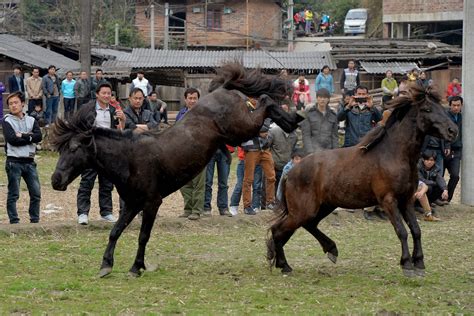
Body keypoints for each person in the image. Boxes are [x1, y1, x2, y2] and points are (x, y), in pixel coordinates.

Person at [76, 83, 126, 225]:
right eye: (103, 93)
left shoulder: (113, 110)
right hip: (91, 151)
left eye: (109, 93)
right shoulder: (88, 109)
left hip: (108, 153)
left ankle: (106, 212)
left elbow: (120, 129)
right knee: (87, 182)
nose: (106, 96)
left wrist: (122, 119)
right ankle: (83, 213)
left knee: (107, 183)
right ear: (97, 94)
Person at [2, 91, 42, 224]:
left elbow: (39, 136)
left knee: (35, 193)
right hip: (14, 161)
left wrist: (23, 135)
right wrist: (30, 137)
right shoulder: (7, 121)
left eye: (16, 102)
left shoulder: (32, 120)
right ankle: (14, 220)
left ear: (22, 104)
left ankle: (35, 219)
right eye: (10, 103)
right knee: (14, 193)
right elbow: (12, 140)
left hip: (30, 161)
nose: (13, 106)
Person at [178, 88, 206, 220]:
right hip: (183, 154)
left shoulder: (204, 115)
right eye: (190, 98)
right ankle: (188, 208)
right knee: (184, 183)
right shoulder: (181, 114)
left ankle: (196, 210)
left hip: (199, 154)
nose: (192, 101)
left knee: (198, 183)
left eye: (195, 98)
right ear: (185, 99)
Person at [241, 119, 276, 215]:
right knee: (248, 179)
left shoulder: (264, 110)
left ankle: (270, 202)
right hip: (252, 149)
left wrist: (264, 132)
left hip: (264, 148)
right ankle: (247, 206)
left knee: (271, 177)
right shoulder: (247, 110)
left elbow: (270, 123)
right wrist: (261, 131)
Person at [300, 88, 338, 155]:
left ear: (328, 99)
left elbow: (334, 136)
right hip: (313, 152)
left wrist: (335, 152)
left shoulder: (333, 115)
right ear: (317, 98)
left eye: (325, 97)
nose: (322, 99)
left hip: (328, 152)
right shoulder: (309, 114)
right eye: (320, 97)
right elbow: (306, 135)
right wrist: (310, 152)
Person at [269, 103, 297, 190]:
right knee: (274, 189)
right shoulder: (273, 131)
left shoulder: (294, 136)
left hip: (289, 168)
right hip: (275, 167)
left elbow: (294, 150)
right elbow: (267, 148)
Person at [228, 146, 263, 216]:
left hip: (257, 162)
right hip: (243, 160)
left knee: (257, 186)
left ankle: (255, 206)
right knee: (240, 185)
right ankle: (234, 206)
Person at [203, 146, 232, 217]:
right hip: (209, 149)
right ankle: (206, 207)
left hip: (225, 151)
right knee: (207, 182)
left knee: (224, 183)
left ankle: (223, 208)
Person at [444, 96, 463, 202]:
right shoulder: (445, 116)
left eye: (458, 105)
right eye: (454, 105)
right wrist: (446, 145)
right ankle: (436, 198)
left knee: (455, 176)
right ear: (449, 105)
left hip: (456, 150)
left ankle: (447, 199)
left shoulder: (461, 116)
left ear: (461, 106)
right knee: (439, 176)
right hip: (444, 149)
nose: (456, 108)